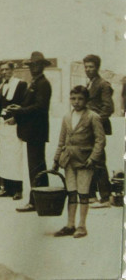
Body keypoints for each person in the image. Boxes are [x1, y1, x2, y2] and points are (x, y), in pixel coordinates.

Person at [51, 85, 106, 239]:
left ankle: (82, 226)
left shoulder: (92, 117)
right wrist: (56, 160)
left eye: (80, 98)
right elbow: (61, 141)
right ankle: (70, 225)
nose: (76, 102)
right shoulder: (67, 117)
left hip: (84, 161)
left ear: (86, 100)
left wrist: (93, 158)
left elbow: (100, 140)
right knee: (71, 192)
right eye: (73, 98)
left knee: (83, 193)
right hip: (68, 161)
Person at [8, 51, 52, 213]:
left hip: (36, 131)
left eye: (37, 65)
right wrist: (17, 116)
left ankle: (36, 201)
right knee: (36, 166)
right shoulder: (34, 82)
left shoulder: (43, 84)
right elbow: (30, 105)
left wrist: (20, 110)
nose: (34, 68)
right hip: (33, 131)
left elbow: (40, 108)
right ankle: (41, 200)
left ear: (42, 66)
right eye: (32, 65)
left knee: (36, 166)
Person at [83, 54, 114, 208]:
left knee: (99, 161)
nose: (88, 70)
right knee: (91, 160)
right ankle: (92, 195)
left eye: (91, 67)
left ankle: (106, 197)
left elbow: (108, 107)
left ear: (97, 67)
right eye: (86, 67)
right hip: (89, 128)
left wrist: (95, 123)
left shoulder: (102, 84)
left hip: (97, 128)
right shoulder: (90, 83)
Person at [0, 61, 28, 199]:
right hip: (3, 126)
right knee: (4, 157)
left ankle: (18, 189)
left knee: (15, 156)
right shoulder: (2, 86)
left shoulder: (21, 84)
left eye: (6, 70)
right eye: (2, 70)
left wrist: (17, 118)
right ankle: (6, 187)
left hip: (14, 125)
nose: (4, 72)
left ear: (13, 70)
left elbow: (24, 105)